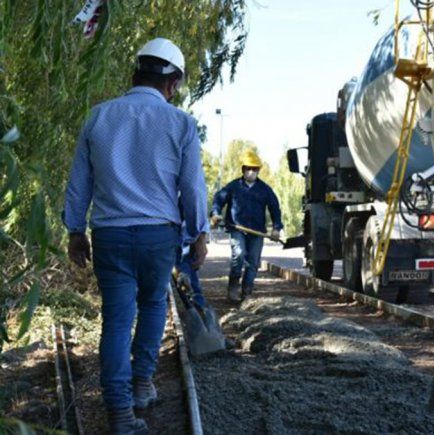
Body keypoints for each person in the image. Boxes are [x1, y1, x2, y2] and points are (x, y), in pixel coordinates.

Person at [63, 38, 208, 434]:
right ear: (173, 83)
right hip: (158, 237)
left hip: (109, 235)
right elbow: (192, 187)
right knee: (153, 305)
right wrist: (198, 233)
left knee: (115, 320)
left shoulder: (98, 117)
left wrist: (75, 231)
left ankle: (121, 415)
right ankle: (142, 383)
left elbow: (79, 184)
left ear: (135, 73)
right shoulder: (181, 124)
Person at [211, 150, 283, 302]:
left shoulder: (265, 189)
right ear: (243, 169)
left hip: (257, 232)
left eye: (255, 169)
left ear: (258, 170)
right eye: (248, 168)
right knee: (238, 255)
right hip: (237, 229)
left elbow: (275, 208)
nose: (251, 171)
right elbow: (218, 199)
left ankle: (247, 292)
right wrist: (216, 213)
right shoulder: (233, 187)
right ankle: (233, 287)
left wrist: (276, 228)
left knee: (253, 263)